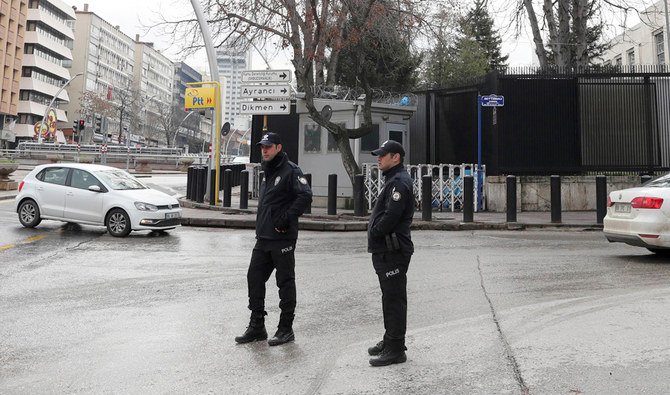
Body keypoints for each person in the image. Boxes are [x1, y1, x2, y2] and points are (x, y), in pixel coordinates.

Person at [235, 132, 312, 346]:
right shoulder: (267, 170)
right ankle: (257, 326)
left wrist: (286, 218)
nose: (264, 150)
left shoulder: (291, 170)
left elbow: (305, 195)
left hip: (282, 238)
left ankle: (286, 329)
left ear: (278, 147)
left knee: (285, 282)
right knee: (254, 277)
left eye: (268, 147)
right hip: (264, 237)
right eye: (262, 147)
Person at [366, 140, 414, 366]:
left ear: (396, 157)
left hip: (393, 249)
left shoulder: (399, 183)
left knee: (394, 299)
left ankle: (396, 349)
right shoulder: (393, 180)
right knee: (389, 297)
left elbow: (391, 216)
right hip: (386, 249)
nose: (379, 158)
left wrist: (374, 231)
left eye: (383, 155)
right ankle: (390, 339)